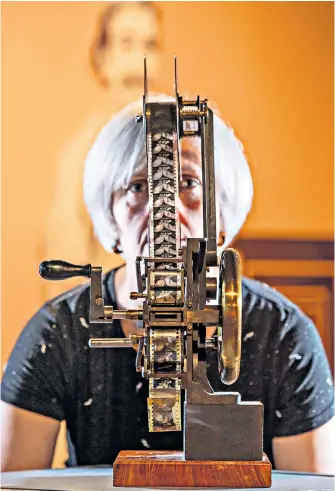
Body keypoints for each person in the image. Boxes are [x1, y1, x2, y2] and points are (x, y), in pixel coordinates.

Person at [1, 97, 334, 473]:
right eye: (138, 187)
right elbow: (17, 481)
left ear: (221, 217)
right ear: (110, 218)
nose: (167, 212)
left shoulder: (284, 335)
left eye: (189, 183)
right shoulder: (58, 332)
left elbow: (311, 483)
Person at [42, 1, 162, 300]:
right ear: (103, 58)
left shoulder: (179, 146)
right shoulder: (82, 154)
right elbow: (64, 274)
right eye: (126, 44)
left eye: (149, 45)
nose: (139, 61)